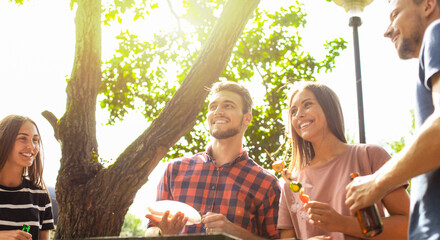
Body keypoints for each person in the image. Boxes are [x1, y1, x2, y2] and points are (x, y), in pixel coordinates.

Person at [345, 0, 440, 238]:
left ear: (428, 5)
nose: (387, 31)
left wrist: (376, 182)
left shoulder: (436, 32)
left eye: (395, 14)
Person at [145, 81, 281, 239]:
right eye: (213, 106)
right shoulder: (174, 169)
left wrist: (235, 233)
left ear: (246, 119)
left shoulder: (266, 183)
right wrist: (163, 233)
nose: (218, 112)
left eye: (228, 106)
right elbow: (151, 230)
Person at [277, 82, 410, 240]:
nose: (298, 114)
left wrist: (343, 224)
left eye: (307, 105)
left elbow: (409, 224)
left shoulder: (370, 156)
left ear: (329, 108)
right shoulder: (291, 183)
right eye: (293, 111)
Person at [0, 115, 54, 240]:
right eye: (23, 138)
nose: (32, 147)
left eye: (35, 140)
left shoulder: (41, 196)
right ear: (4, 140)